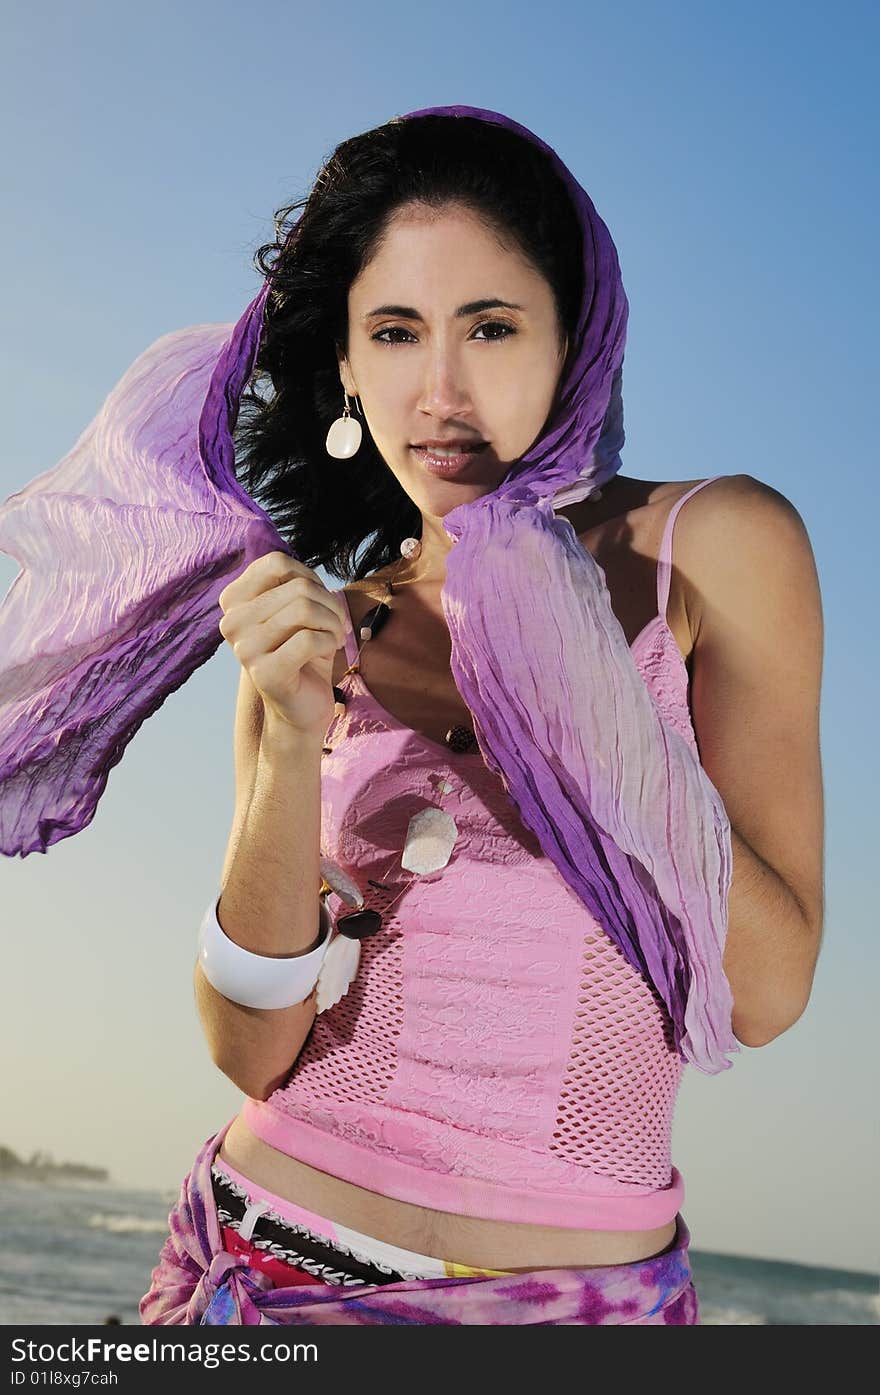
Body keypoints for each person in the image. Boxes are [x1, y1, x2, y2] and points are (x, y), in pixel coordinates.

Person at [0, 107, 824, 1326]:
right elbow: (250, 1047)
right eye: (394, 332)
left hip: (570, 1302)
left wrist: (582, 695)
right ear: (343, 365)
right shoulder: (316, 626)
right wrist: (287, 736)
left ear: (570, 339)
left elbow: (762, 991)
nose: (440, 391)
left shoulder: (710, 547)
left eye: (490, 327)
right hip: (245, 1276)